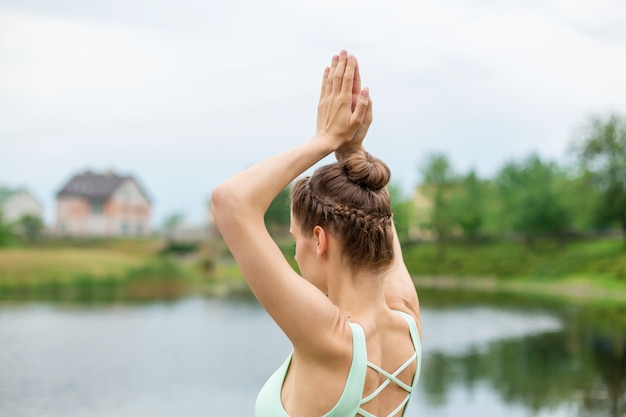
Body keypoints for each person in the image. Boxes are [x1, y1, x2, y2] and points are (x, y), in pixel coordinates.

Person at [211, 50, 422, 417]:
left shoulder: (328, 338)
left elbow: (231, 202)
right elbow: (374, 216)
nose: (294, 254)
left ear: (320, 240)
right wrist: (352, 151)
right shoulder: (407, 323)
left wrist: (326, 139)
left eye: (296, 240)